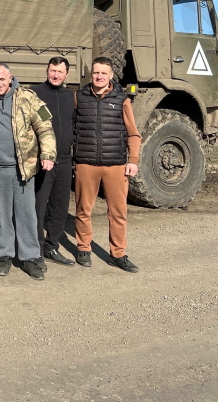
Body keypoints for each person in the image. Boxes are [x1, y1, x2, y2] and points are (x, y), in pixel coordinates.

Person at [0, 63, 56, 280]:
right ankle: (5, 256)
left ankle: (29, 257)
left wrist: (47, 154)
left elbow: (45, 126)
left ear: (10, 78)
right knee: (1, 215)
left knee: (26, 214)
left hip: (22, 168)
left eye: (2, 79)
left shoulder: (27, 97)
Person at [73, 57, 142, 273]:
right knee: (83, 210)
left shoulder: (122, 100)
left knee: (118, 212)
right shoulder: (79, 98)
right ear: (91, 74)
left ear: (111, 75)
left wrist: (133, 160)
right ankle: (83, 248)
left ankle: (118, 254)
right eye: (96, 73)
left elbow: (133, 133)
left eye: (103, 73)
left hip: (115, 166)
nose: (99, 76)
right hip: (86, 164)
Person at [31, 57, 77, 266]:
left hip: (65, 161)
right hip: (44, 162)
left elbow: (74, 124)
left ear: (67, 74)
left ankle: (52, 246)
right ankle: (36, 249)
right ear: (47, 71)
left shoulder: (70, 96)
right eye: (52, 70)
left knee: (60, 207)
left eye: (60, 71)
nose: (55, 75)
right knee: (38, 207)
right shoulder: (36, 93)